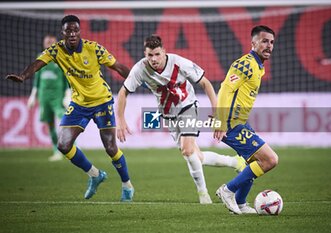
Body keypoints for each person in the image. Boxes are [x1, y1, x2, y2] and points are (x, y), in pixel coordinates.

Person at [5, 15, 134, 202]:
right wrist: (23, 76)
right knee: (63, 145)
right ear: (62, 33)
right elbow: (38, 63)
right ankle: (95, 174)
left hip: (102, 101)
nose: (72, 34)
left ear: (79, 31)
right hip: (79, 104)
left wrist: (137, 79)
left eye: (75, 30)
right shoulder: (56, 50)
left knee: (111, 147)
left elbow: (119, 67)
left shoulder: (94, 48)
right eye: (68, 31)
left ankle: (127, 186)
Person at [116, 35, 246, 204]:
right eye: (149, 55)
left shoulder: (179, 63)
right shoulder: (140, 69)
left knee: (187, 150)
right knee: (194, 156)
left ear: (164, 52)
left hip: (188, 107)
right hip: (168, 115)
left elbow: (206, 83)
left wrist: (218, 114)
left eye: (157, 54)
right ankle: (235, 162)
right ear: (145, 54)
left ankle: (203, 195)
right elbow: (123, 92)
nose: (153, 59)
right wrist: (120, 120)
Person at [214, 25, 279, 214]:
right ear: (253, 43)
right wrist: (220, 120)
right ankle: (228, 190)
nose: (269, 46)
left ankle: (241, 202)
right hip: (230, 123)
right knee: (270, 159)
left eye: (272, 42)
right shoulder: (245, 63)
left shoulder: (259, 67)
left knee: (254, 162)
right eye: (264, 41)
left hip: (240, 122)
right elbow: (226, 88)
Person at [27, 34, 71, 162]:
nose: (49, 44)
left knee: (65, 120)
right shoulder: (40, 58)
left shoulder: (61, 58)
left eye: (52, 42)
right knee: (50, 124)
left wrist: (68, 93)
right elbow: (37, 79)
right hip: (44, 96)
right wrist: (32, 95)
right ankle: (56, 151)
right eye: (47, 42)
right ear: (44, 44)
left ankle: (72, 147)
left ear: (56, 43)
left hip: (58, 96)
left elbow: (67, 78)